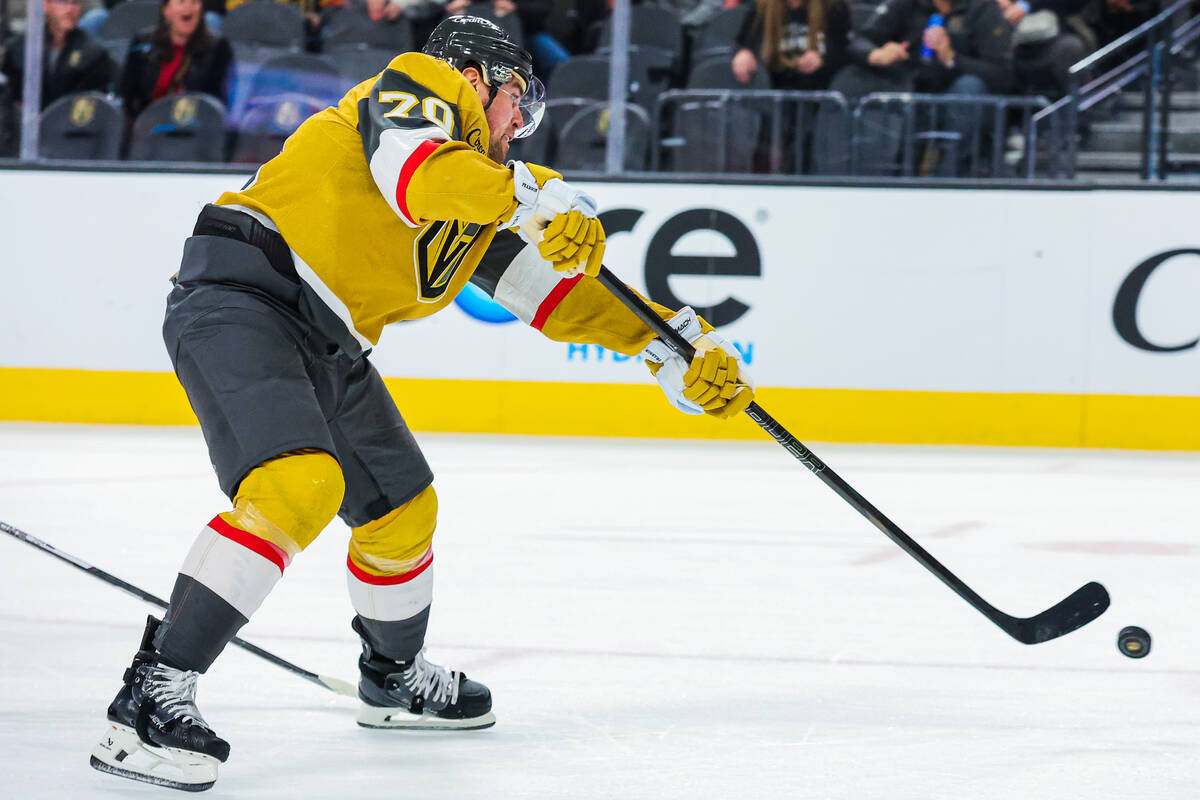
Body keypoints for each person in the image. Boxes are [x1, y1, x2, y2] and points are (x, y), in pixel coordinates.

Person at [89, 14, 753, 793]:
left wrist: (669, 344)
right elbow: (421, 176)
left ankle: (393, 677)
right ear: (476, 79)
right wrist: (521, 194)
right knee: (297, 487)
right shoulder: (419, 86)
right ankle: (150, 693)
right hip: (245, 293)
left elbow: (555, 297)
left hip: (326, 335)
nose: (518, 126)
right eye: (517, 102)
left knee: (402, 509)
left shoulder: (483, 195)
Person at [831, 0, 1013, 174]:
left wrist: (951, 59)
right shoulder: (907, 4)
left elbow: (1001, 73)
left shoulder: (984, 8)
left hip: (957, 100)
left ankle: (952, 178)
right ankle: (885, 177)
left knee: (969, 87)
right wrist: (877, 54)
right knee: (854, 79)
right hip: (909, 92)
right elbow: (860, 39)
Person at [119, 0, 234, 121]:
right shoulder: (142, 42)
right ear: (166, 10)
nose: (189, 7)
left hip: (194, 127)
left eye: (195, 2)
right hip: (148, 125)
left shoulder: (217, 47)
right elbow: (128, 95)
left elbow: (218, 103)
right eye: (181, 2)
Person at [1, 0, 113, 109]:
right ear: (45, 5)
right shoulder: (18, 48)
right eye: (62, 2)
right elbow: (10, 98)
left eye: (75, 3)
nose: (69, 9)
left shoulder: (93, 52)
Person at [731, 0, 850, 91]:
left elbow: (846, 47)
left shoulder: (833, 6)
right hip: (773, 95)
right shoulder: (760, 7)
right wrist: (743, 53)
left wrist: (823, 59)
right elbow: (742, 43)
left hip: (819, 95)